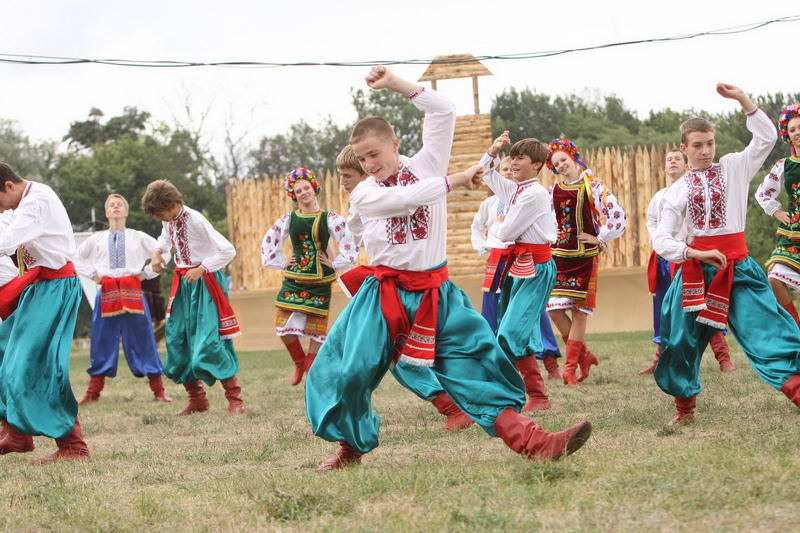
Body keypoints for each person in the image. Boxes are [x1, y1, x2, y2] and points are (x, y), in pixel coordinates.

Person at [305, 67, 591, 472]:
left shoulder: (427, 163)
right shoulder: (365, 193)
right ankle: (350, 450)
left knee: (474, 364)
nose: (368, 165)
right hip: (382, 295)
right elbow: (405, 199)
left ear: (394, 144)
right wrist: (456, 179)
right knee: (347, 369)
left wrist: (394, 84)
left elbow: (443, 110)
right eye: (362, 158)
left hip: (435, 292)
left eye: (374, 154)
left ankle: (536, 442)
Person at [653, 84, 800, 426]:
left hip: (739, 267)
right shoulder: (675, 191)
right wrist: (692, 252)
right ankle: (685, 410)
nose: (705, 151)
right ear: (684, 148)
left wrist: (743, 100)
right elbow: (661, 238)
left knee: (766, 331)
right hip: (696, 271)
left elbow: (765, 138)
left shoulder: (733, 167)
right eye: (697, 145)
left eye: (710, 143)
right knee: (681, 340)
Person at [336, 145, 473, 432]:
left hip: (411, 284)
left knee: (403, 352)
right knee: (390, 352)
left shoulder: (391, 194)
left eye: (347, 175)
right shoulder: (366, 199)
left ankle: (455, 405)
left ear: (367, 173)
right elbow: (357, 235)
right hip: (388, 282)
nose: (343, 182)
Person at [0, 162, 89, 462]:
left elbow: (6, 242)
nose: (1, 209)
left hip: (55, 287)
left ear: (8, 186)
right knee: (5, 351)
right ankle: (17, 432)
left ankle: (73, 445)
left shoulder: (35, 201)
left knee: (36, 363)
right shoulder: (23, 201)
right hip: (39, 287)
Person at [141, 179, 245, 415]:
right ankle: (197, 399)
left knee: (209, 340)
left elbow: (228, 250)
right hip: (183, 284)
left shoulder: (196, 220)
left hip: (205, 283)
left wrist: (202, 268)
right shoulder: (169, 221)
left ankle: (235, 398)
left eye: (160, 213)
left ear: (173, 204)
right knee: (178, 338)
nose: (159, 218)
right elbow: (165, 239)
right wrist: (157, 254)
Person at [478, 132, 558, 410]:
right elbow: (487, 174)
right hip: (520, 266)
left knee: (511, 331)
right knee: (510, 328)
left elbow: (505, 232)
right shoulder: (517, 190)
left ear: (536, 164)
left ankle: (516, 394)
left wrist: (499, 223)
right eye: (511, 158)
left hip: (537, 268)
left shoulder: (534, 194)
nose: (512, 163)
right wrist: (493, 150)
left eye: (519, 158)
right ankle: (536, 395)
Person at [639, 151, 735, 374]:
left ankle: (723, 358)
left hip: (693, 255)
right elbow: (652, 221)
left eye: (677, 159)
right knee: (665, 308)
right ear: (664, 167)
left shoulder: (696, 190)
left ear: (686, 166)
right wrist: (660, 241)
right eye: (668, 159)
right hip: (665, 257)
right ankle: (662, 358)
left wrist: (692, 240)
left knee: (703, 303)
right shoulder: (659, 196)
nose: (672, 162)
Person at [261, 168, 357, 386]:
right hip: (294, 279)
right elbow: (270, 240)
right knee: (281, 325)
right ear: (294, 196)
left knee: (316, 329)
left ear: (314, 189)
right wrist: (282, 261)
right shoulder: (289, 219)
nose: (303, 192)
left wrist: (336, 263)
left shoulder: (329, 218)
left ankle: (311, 369)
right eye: (298, 191)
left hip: (320, 279)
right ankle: (298, 362)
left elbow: (348, 239)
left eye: (306, 188)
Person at [74, 193, 173, 403]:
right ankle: (93, 393)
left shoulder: (138, 237)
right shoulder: (96, 239)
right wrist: (93, 275)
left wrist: (147, 273)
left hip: (133, 291)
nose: (116, 207)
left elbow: (164, 253)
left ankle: (159, 391)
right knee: (101, 340)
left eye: (119, 204)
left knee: (144, 339)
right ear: (106, 213)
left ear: (126, 211)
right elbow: (76, 258)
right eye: (112, 205)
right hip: (107, 291)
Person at [546, 138, 627, 385]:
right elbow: (544, 220)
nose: (561, 165)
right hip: (559, 257)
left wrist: (600, 238)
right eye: (556, 163)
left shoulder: (594, 187)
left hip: (585, 256)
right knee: (553, 308)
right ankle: (584, 355)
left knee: (579, 311)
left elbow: (618, 216)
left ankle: (570, 369)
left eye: (563, 160)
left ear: (573, 158)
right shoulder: (552, 192)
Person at [755, 103, 800, 327]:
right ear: (787, 135)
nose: (797, 132)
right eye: (792, 129)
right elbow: (763, 192)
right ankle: (796, 328)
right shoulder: (784, 165)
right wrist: (776, 211)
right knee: (775, 277)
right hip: (793, 234)